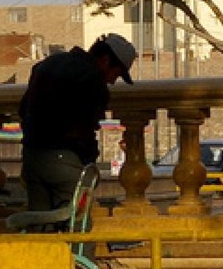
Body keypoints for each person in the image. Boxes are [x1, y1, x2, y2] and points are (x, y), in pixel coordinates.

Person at [18, 33, 136, 212]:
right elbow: (83, 129)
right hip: (64, 160)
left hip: (32, 158)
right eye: (115, 73)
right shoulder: (92, 80)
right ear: (105, 60)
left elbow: (23, 110)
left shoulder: (49, 64)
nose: (112, 80)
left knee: (40, 224)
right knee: (77, 223)